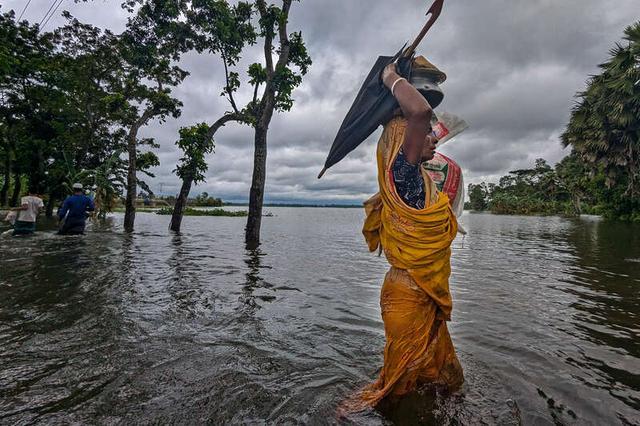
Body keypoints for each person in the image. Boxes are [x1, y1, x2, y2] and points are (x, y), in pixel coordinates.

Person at [350, 56, 464, 409]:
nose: (432, 136)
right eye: (427, 133)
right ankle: (355, 411)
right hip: (406, 295)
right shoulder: (404, 174)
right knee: (397, 386)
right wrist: (390, 78)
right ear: (405, 143)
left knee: (445, 378)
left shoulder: (417, 183)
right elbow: (418, 113)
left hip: (420, 291)